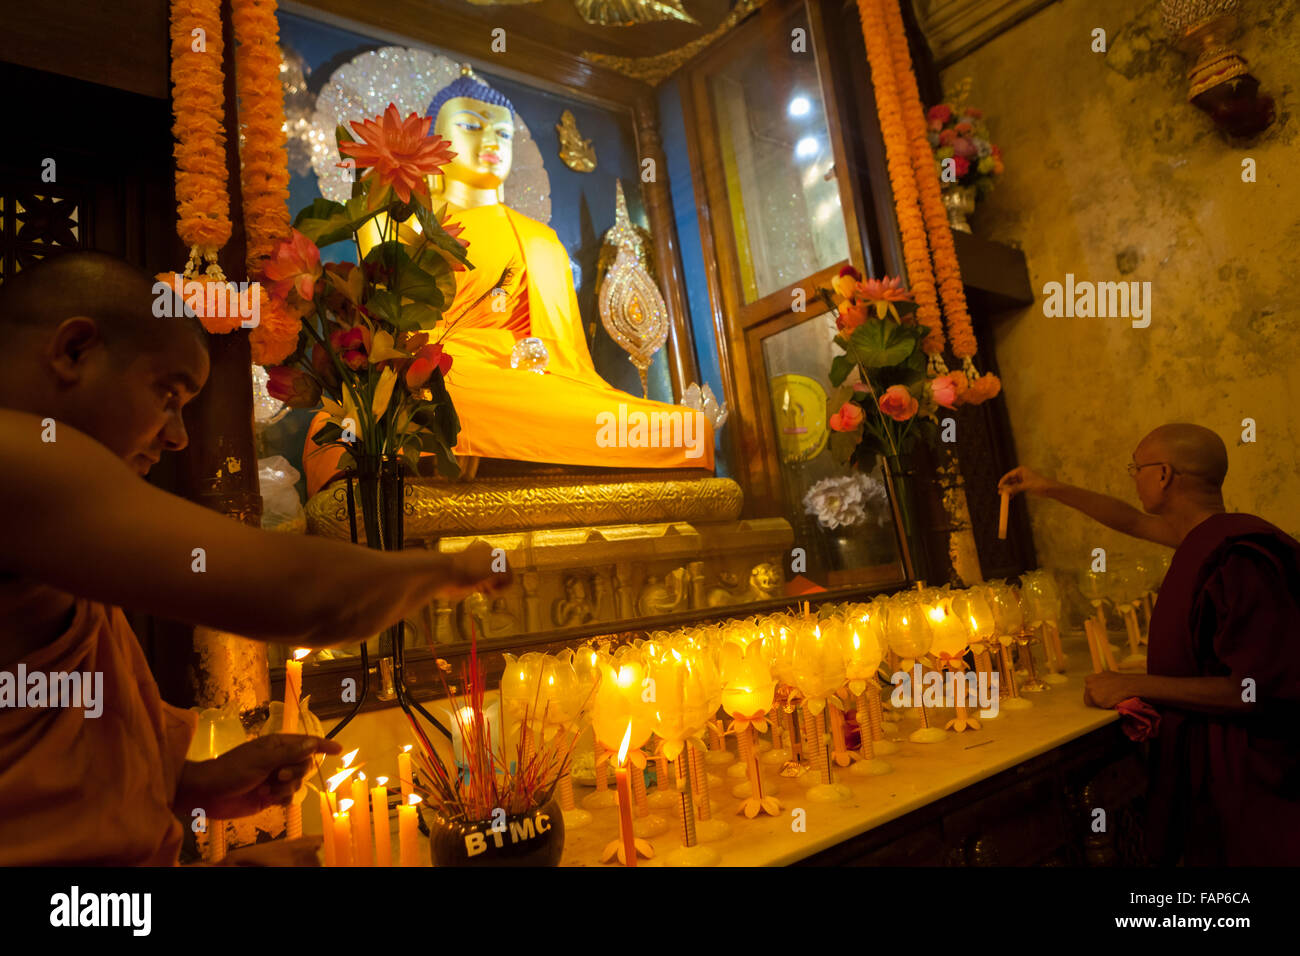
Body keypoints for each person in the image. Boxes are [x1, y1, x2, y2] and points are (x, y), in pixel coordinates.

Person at [0, 252, 507, 866]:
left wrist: (199, 785)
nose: (178, 435)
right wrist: (451, 570)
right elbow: (297, 596)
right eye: (168, 394)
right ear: (75, 350)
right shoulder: (17, 458)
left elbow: (60, 761)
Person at [1000, 424, 1300, 865]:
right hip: (1213, 764)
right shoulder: (1204, 536)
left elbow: (1253, 690)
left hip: (1253, 778)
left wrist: (1134, 684)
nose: (1133, 477)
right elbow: (1131, 519)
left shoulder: (1238, 556)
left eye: (1135, 468)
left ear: (1162, 475)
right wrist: (1049, 487)